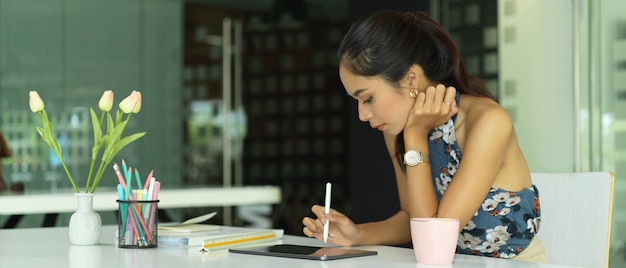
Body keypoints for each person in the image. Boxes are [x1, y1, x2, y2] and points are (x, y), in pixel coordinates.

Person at [302, 10, 547, 262]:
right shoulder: (397, 130)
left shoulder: (487, 122)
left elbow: (433, 242)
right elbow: (413, 217)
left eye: (367, 98)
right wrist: (358, 234)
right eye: (356, 100)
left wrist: (416, 135)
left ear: (411, 79)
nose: (362, 114)